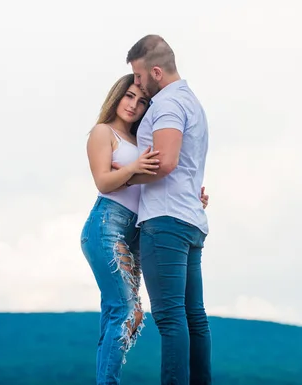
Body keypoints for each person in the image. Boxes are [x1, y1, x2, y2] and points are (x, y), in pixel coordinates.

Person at [80, 73, 209, 385]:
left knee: (132, 315)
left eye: (141, 101)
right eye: (128, 96)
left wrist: (192, 198)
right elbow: (103, 182)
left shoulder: (144, 141)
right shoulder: (103, 132)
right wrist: (134, 168)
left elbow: (157, 183)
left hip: (137, 232)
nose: (133, 105)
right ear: (117, 96)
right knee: (123, 310)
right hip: (107, 225)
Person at [121, 34, 212, 385]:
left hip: (166, 221)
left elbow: (168, 161)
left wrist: (122, 178)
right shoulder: (192, 102)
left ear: (156, 72)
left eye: (139, 77)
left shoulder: (168, 105)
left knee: (171, 318)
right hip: (189, 219)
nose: (137, 84)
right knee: (193, 318)